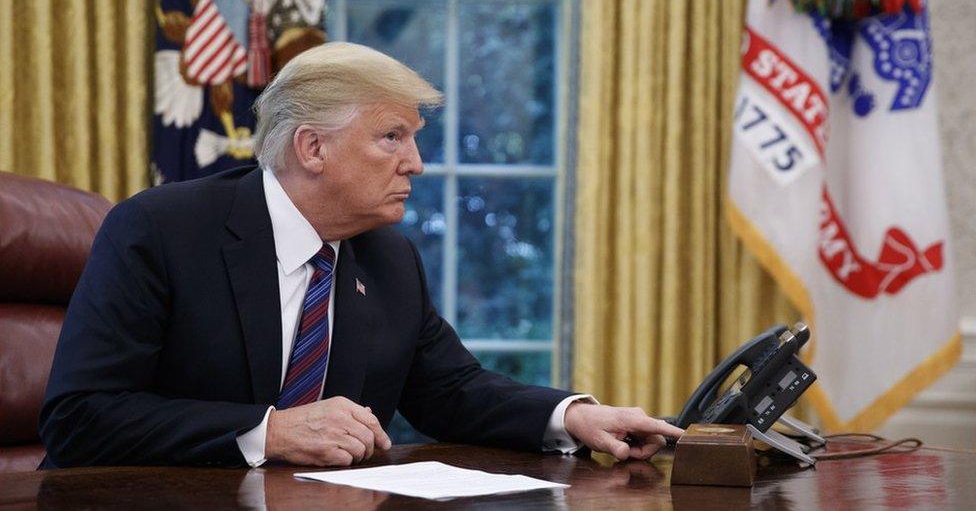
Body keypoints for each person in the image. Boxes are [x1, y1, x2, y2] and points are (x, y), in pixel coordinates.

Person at [39, 42, 682, 468]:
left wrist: (575, 415)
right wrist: (270, 431)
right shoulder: (158, 229)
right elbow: (81, 418)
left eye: (413, 138)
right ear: (312, 148)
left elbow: (451, 391)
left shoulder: (388, 259)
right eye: (391, 137)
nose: (417, 163)